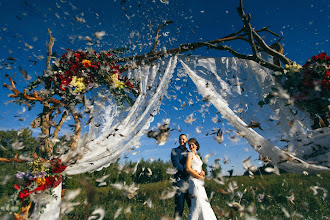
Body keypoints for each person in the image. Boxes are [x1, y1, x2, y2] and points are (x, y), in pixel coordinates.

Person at [186, 138, 217, 220]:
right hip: (194, 181)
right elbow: (188, 168)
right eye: (189, 145)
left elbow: (201, 169)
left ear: (196, 145)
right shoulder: (190, 154)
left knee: (204, 203)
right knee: (197, 203)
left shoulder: (198, 156)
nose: (191, 146)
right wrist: (198, 176)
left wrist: (202, 173)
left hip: (200, 182)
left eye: (192, 144)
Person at [171, 134, 191, 219]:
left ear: (186, 140)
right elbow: (176, 165)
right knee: (179, 207)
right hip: (179, 182)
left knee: (192, 206)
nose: (182, 141)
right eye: (180, 139)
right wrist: (188, 172)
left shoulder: (190, 152)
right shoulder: (174, 150)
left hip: (190, 183)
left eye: (183, 139)